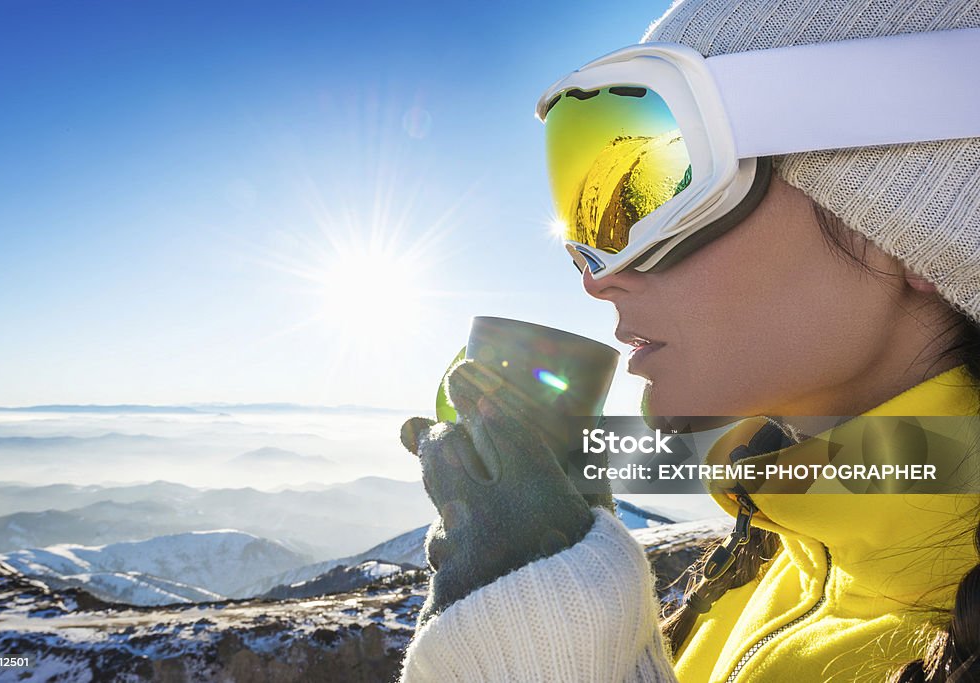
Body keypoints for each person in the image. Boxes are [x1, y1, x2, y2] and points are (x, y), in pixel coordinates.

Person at [398, 0, 980, 680]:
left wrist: (538, 645)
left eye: (661, 191)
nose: (600, 276)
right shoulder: (768, 556)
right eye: (588, 213)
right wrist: (567, 575)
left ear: (912, 232)